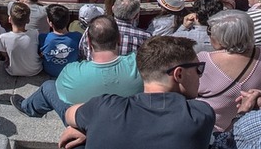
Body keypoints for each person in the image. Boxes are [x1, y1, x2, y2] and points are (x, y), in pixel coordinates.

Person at [59, 35, 215, 149]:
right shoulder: (200, 114)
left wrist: (94, 126)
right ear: (178, 74)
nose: (200, 74)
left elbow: (69, 113)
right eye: (198, 69)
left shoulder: (104, 108)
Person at [14, 14, 142, 120]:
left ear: (90, 42)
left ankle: (28, 108)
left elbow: (63, 95)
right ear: (119, 39)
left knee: (48, 86)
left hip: (84, 126)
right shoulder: (139, 63)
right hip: (126, 121)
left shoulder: (71, 71)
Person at [196, 9, 261, 134]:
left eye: (210, 31)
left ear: (223, 37)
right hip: (253, 127)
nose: (209, 35)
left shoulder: (203, 60)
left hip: (212, 131)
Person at [80, 0, 151, 58]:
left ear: (113, 9)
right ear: (136, 16)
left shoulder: (92, 29)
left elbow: (82, 53)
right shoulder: (145, 37)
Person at [0, 0, 42, 76]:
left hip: (13, 72)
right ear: (28, 20)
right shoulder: (35, 33)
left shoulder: (3, 37)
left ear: (9, 19)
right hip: (35, 70)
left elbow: (4, 54)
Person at [39, 3, 81, 78]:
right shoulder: (77, 36)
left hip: (50, 70)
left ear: (50, 23)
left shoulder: (43, 38)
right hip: (70, 70)